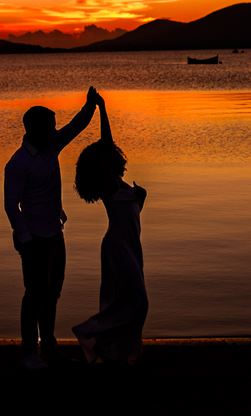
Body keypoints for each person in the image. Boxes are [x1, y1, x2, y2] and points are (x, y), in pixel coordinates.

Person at [4, 86, 100, 370]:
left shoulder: (51, 146)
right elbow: (11, 206)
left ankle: (48, 348)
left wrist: (90, 106)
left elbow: (75, 127)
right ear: (33, 129)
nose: (54, 131)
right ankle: (29, 355)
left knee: (52, 294)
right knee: (33, 296)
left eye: (53, 127)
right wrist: (25, 239)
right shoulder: (18, 164)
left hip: (55, 234)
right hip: (34, 238)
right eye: (49, 127)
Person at [71, 92, 148, 364]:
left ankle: (111, 351)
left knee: (125, 302)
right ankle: (91, 334)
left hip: (131, 246)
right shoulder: (110, 186)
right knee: (138, 303)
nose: (114, 153)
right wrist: (101, 109)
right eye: (108, 155)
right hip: (118, 247)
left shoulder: (120, 184)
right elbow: (106, 142)